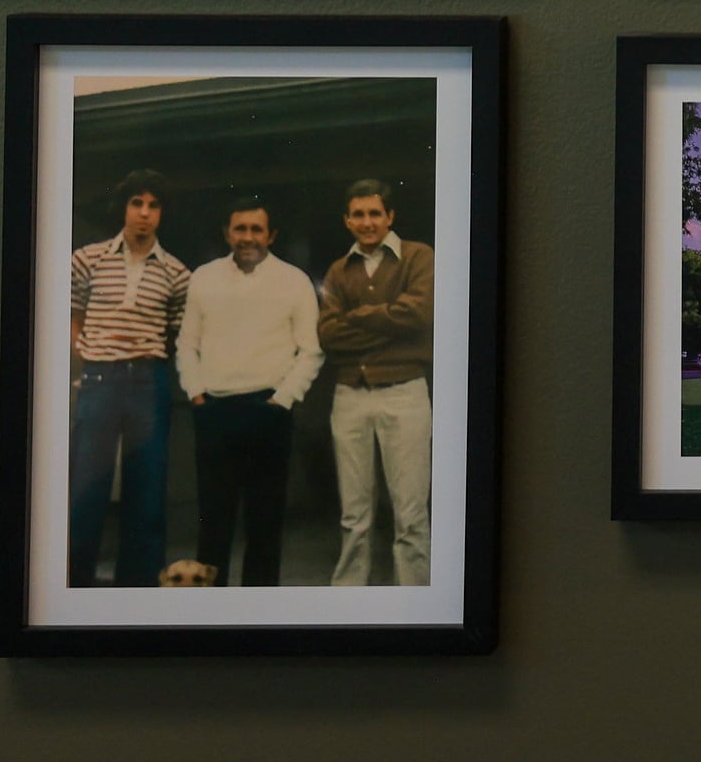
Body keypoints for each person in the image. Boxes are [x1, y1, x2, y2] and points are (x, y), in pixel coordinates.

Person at [176, 196, 320, 587]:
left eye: (257, 229)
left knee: (265, 527)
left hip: (268, 413)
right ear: (227, 232)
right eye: (240, 228)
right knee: (214, 527)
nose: (248, 237)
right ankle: (212, 620)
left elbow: (310, 351)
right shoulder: (203, 278)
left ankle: (260, 620)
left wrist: (281, 401)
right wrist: (197, 395)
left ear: (271, 234)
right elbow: (187, 344)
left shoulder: (294, 281)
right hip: (215, 413)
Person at [67, 168, 188, 588]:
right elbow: (71, 312)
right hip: (100, 381)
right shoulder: (87, 258)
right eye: (137, 203)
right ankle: (75, 586)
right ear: (123, 207)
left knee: (147, 488)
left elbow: (177, 331)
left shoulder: (176, 273)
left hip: (147, 383)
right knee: (87, 485)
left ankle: (137, 592)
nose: (144, 213)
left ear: (162, 214)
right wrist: (84, 351)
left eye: (154, 206)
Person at [316, 179, 431, 586]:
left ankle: (418, 602)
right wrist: (386, 319)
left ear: (390, 217)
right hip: (350, 396)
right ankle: (349, 603)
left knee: (411, 511)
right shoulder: (336, 270)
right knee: (354, 514)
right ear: (347, 221)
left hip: (405, 392)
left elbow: (417, 316)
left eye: (375, 214)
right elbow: (328, 334)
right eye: (358, 215)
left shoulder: (418, 257)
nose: (367, 222)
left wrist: (358, 316)